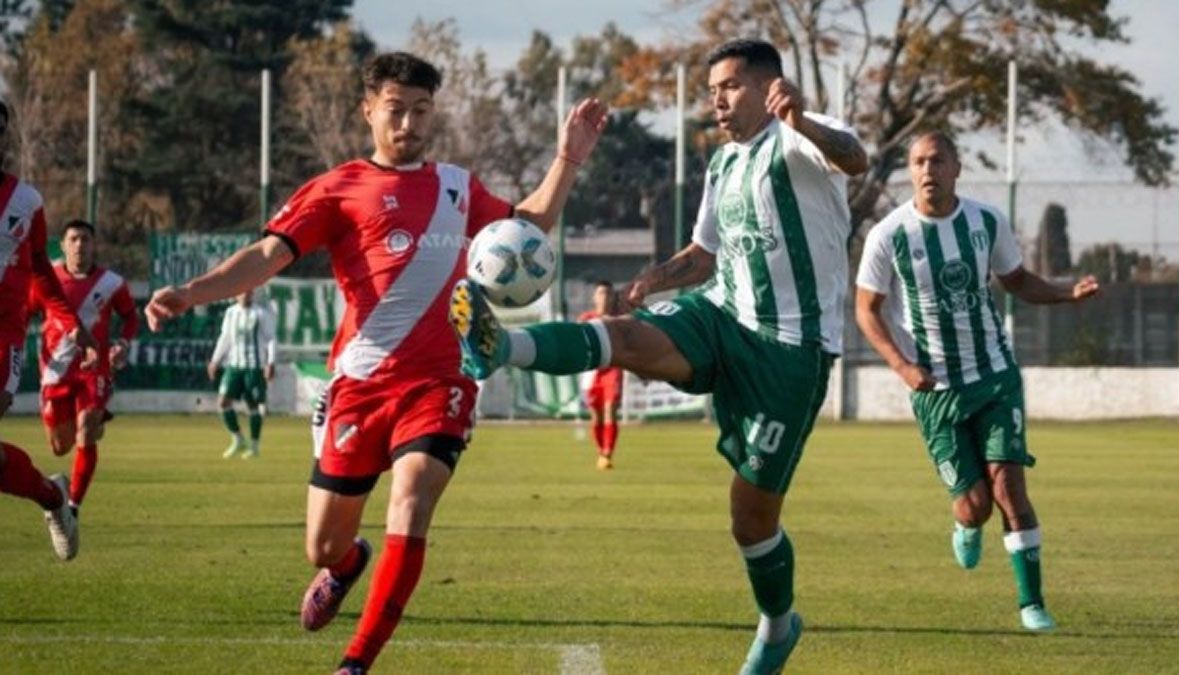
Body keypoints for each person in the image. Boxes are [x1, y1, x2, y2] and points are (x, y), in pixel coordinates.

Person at [145, 52, 606, 674]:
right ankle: (347, 564)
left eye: (422, 110)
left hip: (441, 381)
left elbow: (529, 226)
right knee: (322, 545)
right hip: (359, 387)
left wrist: (568, 159)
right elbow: (266, 256)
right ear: (369, 110)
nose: (410, 123)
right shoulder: (337, 188)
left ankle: (356, 662)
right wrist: (192, 293)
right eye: (397, 109)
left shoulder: (456, 186)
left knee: (412, 498)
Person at [454, 38, 866, 674]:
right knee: (620, 335)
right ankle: (500, 345)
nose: (717, 101)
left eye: (728, 86)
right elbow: (704, 255)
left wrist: (802, 117)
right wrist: (655, 278)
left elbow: (856, 158)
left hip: (791, 349)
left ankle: (778, 627)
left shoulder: (804, 135)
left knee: (750, 519)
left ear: (766, 86)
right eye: (711, 92)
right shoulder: (724, 164)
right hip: (722, 314)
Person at [854, 131, 1100, 632]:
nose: (928, 170)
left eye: (938, 160)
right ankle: (965, 523)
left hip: (994, 375)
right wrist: (902, 367)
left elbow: (1016, 280)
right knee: (975, 507)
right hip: (936, 390)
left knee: (1010, 487)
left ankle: (1032, 604)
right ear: (910, 170)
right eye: (919, 162)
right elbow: (866, 311)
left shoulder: (987, 222)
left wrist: (1064, 294)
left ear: (956, 167)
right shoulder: (889, 235)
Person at [0, 99, 97, 561]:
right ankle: (52, 497)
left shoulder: (25, 202)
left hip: (3, 333)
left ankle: (54, 499)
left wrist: (70, 321)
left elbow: (42, 270)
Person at [28, 219, 137, 521]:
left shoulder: (112, 283)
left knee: (86, 428)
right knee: (60, 447)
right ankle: (96, 422)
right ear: (62, 245)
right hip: (54, 370)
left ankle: (73, 507)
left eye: (85, 239)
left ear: (94, 244)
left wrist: (123, 344)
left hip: (94, 368)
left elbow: (130, 317)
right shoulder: (46, 279)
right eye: (73, 239)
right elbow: (24, 311)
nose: (80, 245)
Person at [207, 288, 276, 459]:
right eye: (242, 292)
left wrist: (270, 362)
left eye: (249, 292)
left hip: (254, 366)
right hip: (234, 365)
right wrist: (215, 360)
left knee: (253, 405)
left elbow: (271, 338)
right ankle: (238, 439)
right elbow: (225, 338)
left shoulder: (261, 314)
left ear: (252, 294)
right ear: (236, 294)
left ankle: (254, 446)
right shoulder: (231, 313)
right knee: (223, 402)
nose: (246, 294)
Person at [577, 280, 623, 469]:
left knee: (610, 409)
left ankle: (607, 454)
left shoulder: (620, 319)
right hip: (592, 371)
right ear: (594, 297)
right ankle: (601, 451)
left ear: (613, 298)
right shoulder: (586, 318)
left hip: (613, 369)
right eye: (601, 293)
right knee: (596, 416)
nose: (605, 297)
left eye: (609, 293)